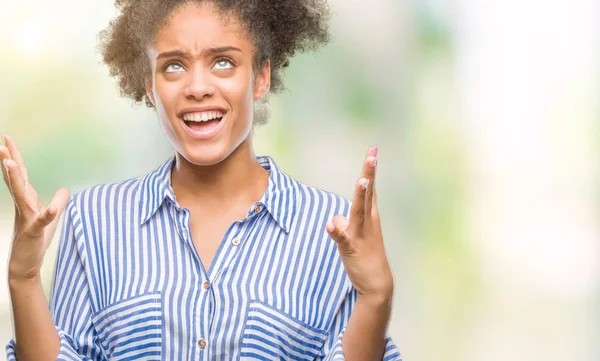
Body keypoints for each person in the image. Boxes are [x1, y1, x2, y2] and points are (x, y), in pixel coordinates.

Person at [1, 0, 402, 360]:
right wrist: (23, 278)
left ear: (261, 77)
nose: (197, 88)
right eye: (173, 66)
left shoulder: (334, 230)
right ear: (149, 85)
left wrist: (375, 297)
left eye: (223, 61)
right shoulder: (93, 220)